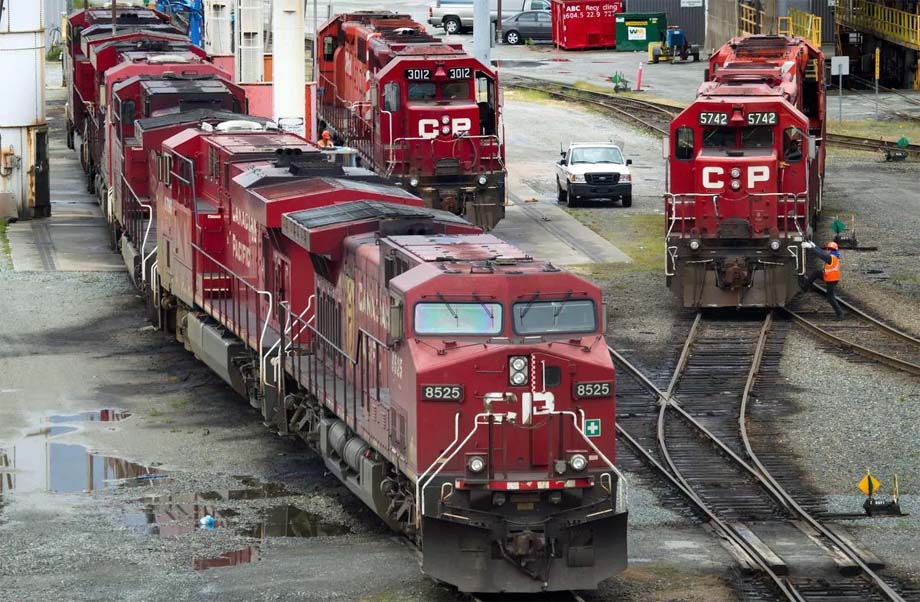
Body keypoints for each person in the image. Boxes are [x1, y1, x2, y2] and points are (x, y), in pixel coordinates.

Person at [800, 241, 844, 320]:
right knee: (815, 274)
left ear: (830, 249)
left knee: (830, 297)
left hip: (831, 279)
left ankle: (840, 314)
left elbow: (821, 255)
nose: (828, 250)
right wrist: (814, 246)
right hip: (829, 277)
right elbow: (822, 252)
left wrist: (811, 248)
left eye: (829, 249)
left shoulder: (830, 257)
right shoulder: (833, 256)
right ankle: (805, 287)